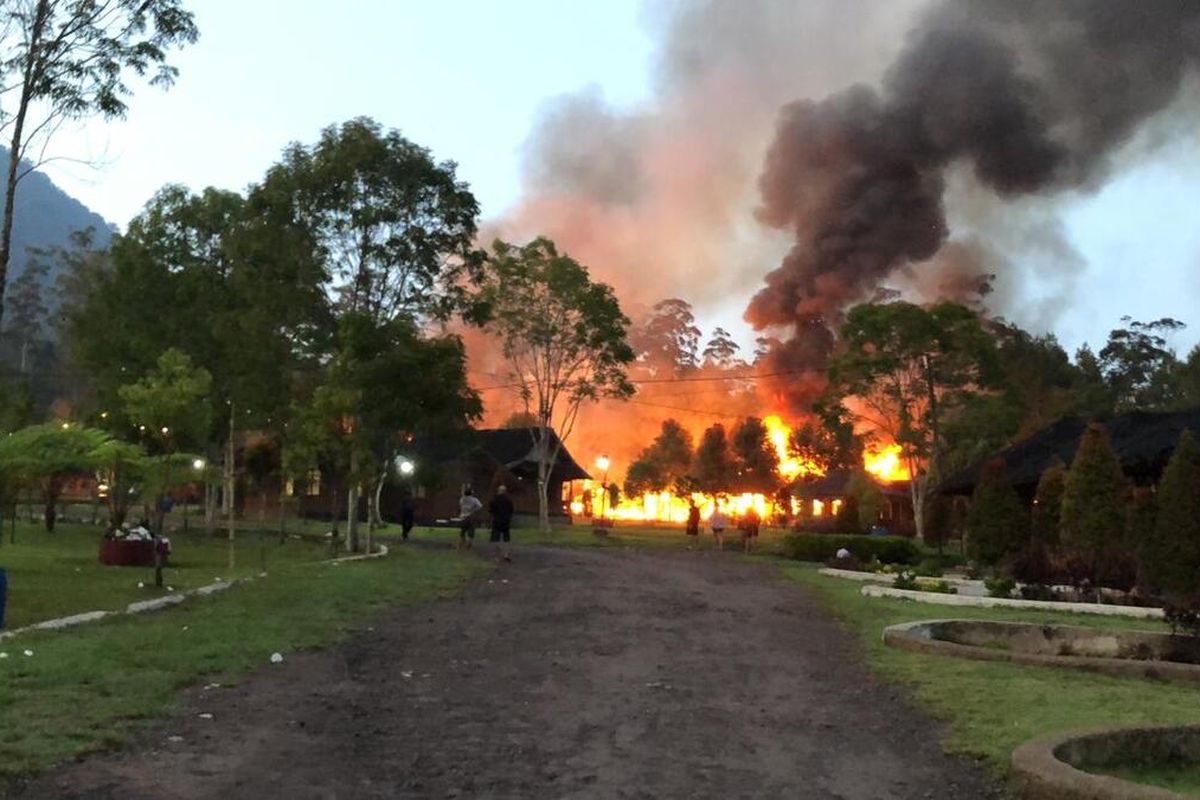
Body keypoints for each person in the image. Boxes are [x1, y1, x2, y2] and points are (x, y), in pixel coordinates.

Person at [489, 485, 515, 562]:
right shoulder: (509, 500)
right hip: (506, 521)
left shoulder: (494, 500)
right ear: (505, 491)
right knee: (506, 538)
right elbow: (511, 510)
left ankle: (497, 556)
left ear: (498, 491)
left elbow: (491, 510)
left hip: (496, 521)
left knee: (496, 539)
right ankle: (506, 554)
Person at [458, 486, 483, 551]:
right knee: (471, 533)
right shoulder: (474, 499)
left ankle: (460, 546)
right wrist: (474, 510)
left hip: (463, 517)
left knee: (462, 533)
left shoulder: (462, 499)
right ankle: (468, 547)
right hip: (470, 517)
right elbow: (480, 506)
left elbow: (460, 505)